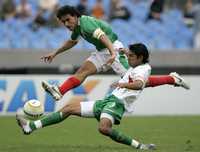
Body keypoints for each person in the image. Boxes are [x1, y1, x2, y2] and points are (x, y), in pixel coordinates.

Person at [16, 43, 156, 150]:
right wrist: (124, 51)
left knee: (104, 129)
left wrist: (123, 84)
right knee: (69, 108)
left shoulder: (142, 70)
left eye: (131, 56)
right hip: (108, 101)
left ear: (140, 57)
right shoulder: (138, 65)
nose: (128, 58)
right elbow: (131, 60)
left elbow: (139, 84)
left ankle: (140, 146)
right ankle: (30, 126)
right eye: (129, 55)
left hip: (117, 103)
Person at [40, 5, 190, 101]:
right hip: (102, 51)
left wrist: (112, 54)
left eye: (68, 20)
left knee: (139, 82)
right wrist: (55, 53)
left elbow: (103, 37)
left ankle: (172, 79)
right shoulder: (77, 27)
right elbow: (72, 42)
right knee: (82, 71)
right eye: (63, 22)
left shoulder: (86, 23)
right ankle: (60, 91)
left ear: (75, 16)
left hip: (114, 49)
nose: (66, 24)